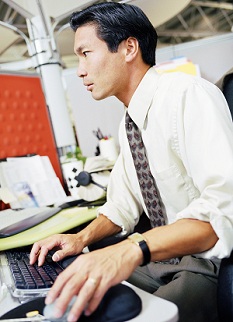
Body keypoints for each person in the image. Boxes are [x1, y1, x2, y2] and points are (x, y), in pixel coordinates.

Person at [30, 2, 233, 321]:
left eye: (85, 53)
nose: (80, 69)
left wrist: (130, 249)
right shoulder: (130, 123)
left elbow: (224, 210)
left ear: (128, 48)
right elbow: (122, 205)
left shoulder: (188, 95)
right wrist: (79, 239)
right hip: (160, 258)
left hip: (205, 260)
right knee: (78, 291)